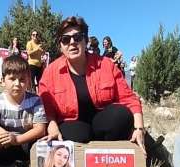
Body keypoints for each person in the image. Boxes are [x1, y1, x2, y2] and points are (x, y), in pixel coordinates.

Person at [38, 16, 148, 156]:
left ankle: (111, 157)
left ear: (85, 40)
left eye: (77, 37)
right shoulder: (50, 72)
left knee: (121, 115)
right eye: (66, 39)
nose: (72, 43)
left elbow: (129, 98)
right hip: (74, 124)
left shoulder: (106, 64)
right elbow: (46, 107)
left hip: (102, 122)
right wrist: (52, 125)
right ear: (60, 46)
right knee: (75, 135)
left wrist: (139, 128)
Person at [0, 55, 47, 167]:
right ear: (3, 80)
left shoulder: (35, 101)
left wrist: (17, 140)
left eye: (22, 80)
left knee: (39, 145)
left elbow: (40, 129)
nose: (17, 84)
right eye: (12, 79)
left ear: (28, 81)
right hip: (6, 144)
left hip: (25, 142)